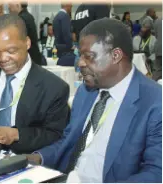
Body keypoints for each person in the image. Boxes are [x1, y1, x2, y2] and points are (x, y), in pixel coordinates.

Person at [26, 18, 162, 183]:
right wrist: (36, 158)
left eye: (89, 56)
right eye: (80, 55)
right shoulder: (86, 91)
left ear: (116, 55)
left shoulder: (154, 102)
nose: (80, 63)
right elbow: (68, 141)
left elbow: (156, 173)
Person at [0, 14, 70, 154]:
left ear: (27, 43)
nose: (3, 59)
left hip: (26, 160)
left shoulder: (54, 87)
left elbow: (54, 134)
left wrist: (16, 134)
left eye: (11, 51)